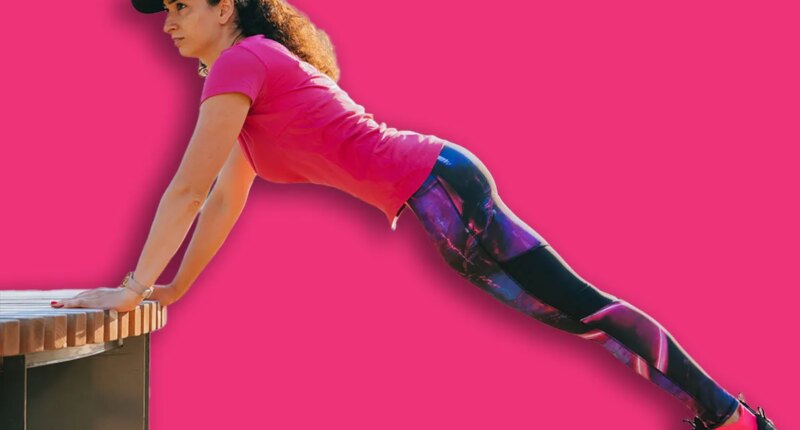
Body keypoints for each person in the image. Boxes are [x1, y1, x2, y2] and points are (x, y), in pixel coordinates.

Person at [51, 1, 777, 428]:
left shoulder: (246, 62)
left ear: (224, 4)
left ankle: (730, 417)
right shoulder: (247, 77)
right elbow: (220, 199)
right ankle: (725, 416)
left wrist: (131, 284)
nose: (167, 23)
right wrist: (169, 287)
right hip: (437, 193)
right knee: (579, 315)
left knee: (583, 310)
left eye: (178, 5)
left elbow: (184, 190)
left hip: (442, 187)